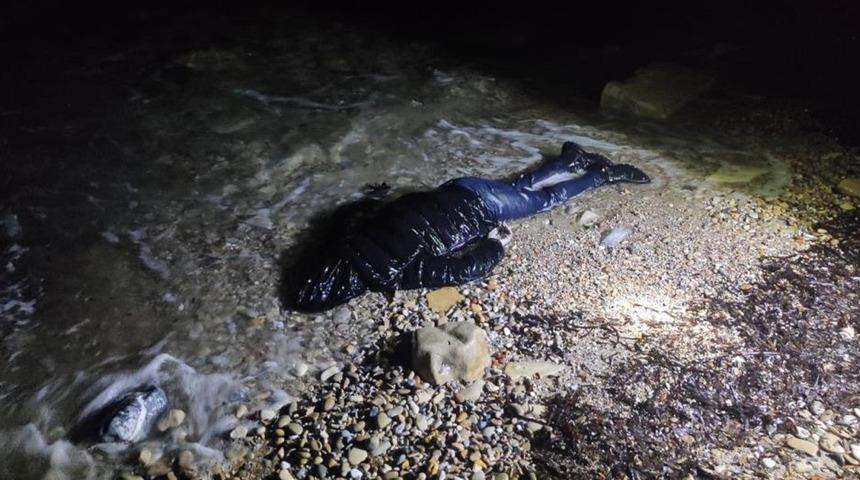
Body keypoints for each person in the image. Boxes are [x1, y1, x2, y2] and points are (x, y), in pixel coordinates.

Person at [283, 141, 650, 312]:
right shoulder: (345, 236)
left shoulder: (396, 274)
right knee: (519, 190)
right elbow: (344, 213)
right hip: (461, 188)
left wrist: (496, 245)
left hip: (480, 208)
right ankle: (571, 160)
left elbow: (462, 270)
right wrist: (376, 198)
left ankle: (600, 174)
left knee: (542, 201)